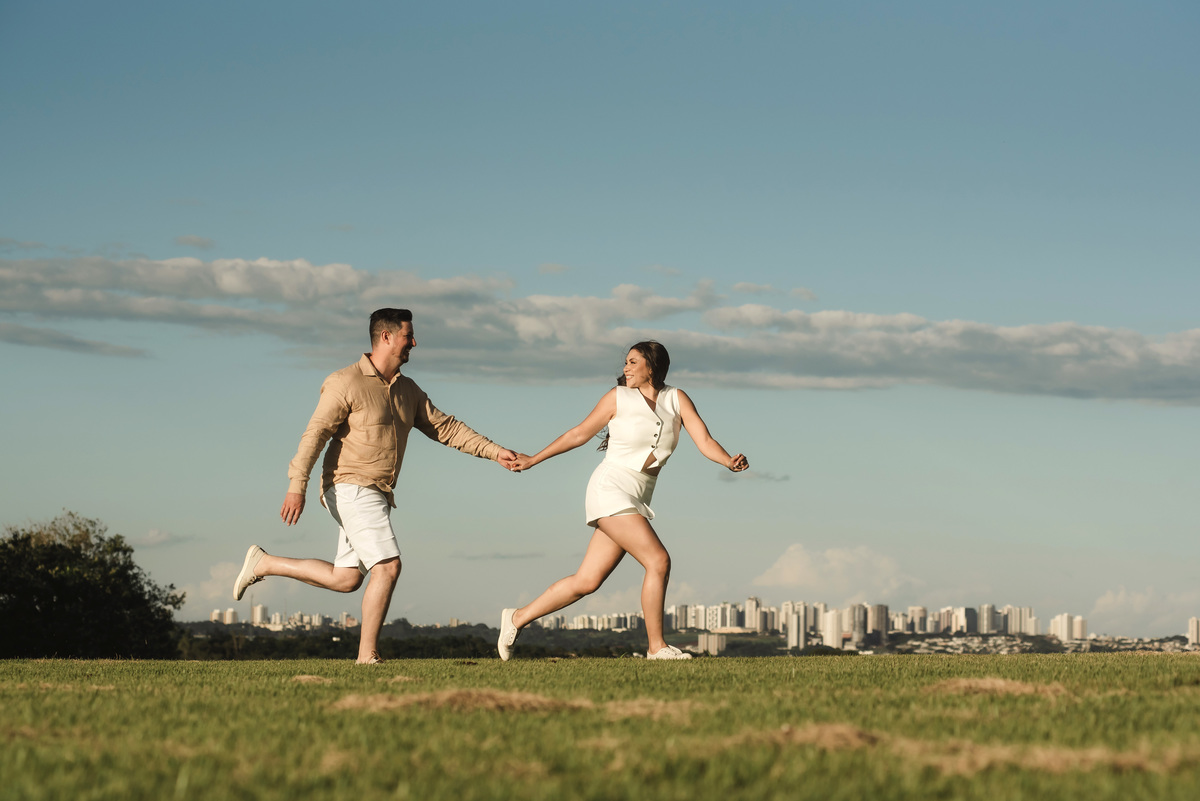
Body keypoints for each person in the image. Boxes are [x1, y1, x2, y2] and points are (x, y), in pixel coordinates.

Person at [233, 308, 517, 664]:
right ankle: (367, 656)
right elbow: (315, 434)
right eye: (407, 336)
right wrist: (296, 484)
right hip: (349, 485)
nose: (413, 343)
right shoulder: (345, 381)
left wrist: (495, 452)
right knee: (387, 567)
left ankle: (264, 563)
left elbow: (446, 428)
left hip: (377, 492)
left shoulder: (407, 390)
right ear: (385, 337)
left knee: (347, 578)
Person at [498, 341, 748, 661]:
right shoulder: (617, 397)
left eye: (633, 362)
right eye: (626, 363)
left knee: (587, 581)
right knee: (658, 560)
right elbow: (579, 433)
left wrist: (728, 461)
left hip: (638, 494)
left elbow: (704, 440)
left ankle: (516, 618)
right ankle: (657, 648)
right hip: (611, 488)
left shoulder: (676, 398)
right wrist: (534, 459)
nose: (625, 368)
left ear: (652, 368)